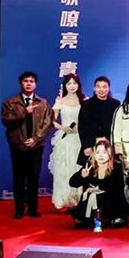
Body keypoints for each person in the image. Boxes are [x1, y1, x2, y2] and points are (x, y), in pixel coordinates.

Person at [1, 71, 54, 219]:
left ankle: (32, 208)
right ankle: (19, 209)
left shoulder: (43, 103)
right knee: (19, 178)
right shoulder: (10, 103)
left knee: (33, 178)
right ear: (20, 84)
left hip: (36, 146)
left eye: (31, 81)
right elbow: (6, 121)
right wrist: (24, 112)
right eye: (26, 81)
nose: (29, 84)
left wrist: (36, 139)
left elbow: (47, 122)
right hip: (18, 146)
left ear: (35, 84)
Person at [68, 138, 128, 229]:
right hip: (90, 201)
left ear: (110, 153)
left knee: (101, 196)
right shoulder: (89, 166)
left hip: (109, 201)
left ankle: (111, 218)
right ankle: (86, 218)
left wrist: (98, 188)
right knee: (89, 196)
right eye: (98, 152)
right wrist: (82, 176)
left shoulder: (116, 166)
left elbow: (117, 187)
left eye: (104, 152)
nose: (100, 155)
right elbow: (72, 183)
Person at [48, 73, 84, 210]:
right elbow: (52, 121)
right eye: (69, 83)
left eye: (74, 83)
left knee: (79, 168)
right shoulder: (60, 101)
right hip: (65, 139)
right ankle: (67, 200)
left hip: (80, 138)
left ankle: (80, 200)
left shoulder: (84, 100)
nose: (72, 86)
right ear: (65, 86)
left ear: (78, 85)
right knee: (65, 169)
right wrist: (63, 128)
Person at [77, 76, 120, 165]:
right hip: (91, 145)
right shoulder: (86, 104)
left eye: (104, 87)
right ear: (94, 88)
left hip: (110, 145)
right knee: (91, 170)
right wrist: (86, 145)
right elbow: (82, 127)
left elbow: (118, 126)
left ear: (109, 88)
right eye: (98, 87)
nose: (101, 90)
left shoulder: (115, 104)